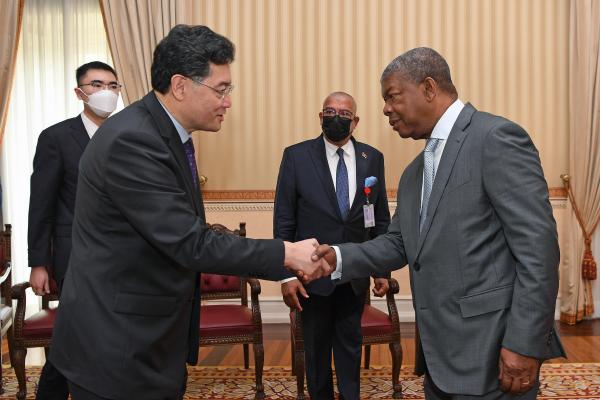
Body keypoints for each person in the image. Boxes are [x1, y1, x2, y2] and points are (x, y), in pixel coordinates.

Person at [47, 25, 326, 400]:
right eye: (221, 89)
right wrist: (286, 255)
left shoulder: (163, 134)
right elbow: (190, 242)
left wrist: (281, 252)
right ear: (180, 86)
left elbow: (188, 227)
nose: (227, 101)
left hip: (147, 340)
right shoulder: (134, 141)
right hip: (118, 347)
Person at [311, 47, 565, 399]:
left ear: (429, 88)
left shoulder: (496, 139)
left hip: (493, 352)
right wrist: (337, 258)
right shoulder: (416, 172)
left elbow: (538, 251)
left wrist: (525, 343)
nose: (385, 108)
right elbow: (398, 243)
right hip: (439, 360)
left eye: (392, 96)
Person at [274, 91, 390, 399]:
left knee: (350, 348)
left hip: (354, 273)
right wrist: (286, 276)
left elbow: (379, 219)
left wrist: (381, 269)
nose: (335, 117)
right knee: (316, 353)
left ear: (355, 122)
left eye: (343, 113)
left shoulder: (372, 158)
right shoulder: (297, 157)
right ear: (320, 117)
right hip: (311, 276)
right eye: (329, 111)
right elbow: (283, 221)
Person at [28, 61, 121, 400]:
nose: (106, 92)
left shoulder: (126, 134)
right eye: (97, 84)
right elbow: (42, 203)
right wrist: (39, 262)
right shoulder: (56, 137)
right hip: (74, 256)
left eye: (113, 85)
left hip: (120, 255)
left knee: (94, 335)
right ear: (80, 92)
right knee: (77, 332)